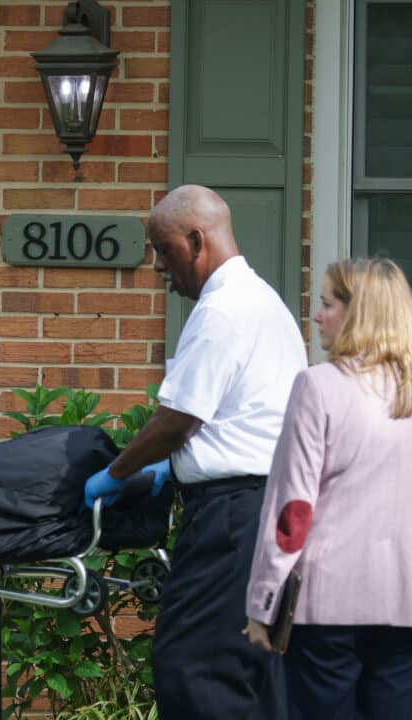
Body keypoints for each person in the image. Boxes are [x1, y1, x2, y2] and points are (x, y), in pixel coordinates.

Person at [83, 184, 306, 720]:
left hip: (233, 517)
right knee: (253, 670)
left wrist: (117, 473)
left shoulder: (223, 311)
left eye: (164, 250)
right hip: (266, 512)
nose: (159, 266)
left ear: (195, 240)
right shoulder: (265, 302)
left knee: (193, 666)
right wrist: (175, 469)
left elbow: (176, 421)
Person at [245, 258, 412, 718]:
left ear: (358, 314)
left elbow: (292, 511)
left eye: (326, 304)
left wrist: (263, 602)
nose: (317, 316)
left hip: (328, 606)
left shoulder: (318, 386)